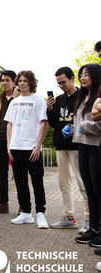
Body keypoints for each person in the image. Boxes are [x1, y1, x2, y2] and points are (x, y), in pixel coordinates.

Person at [46, 67, 89, 232]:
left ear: (72, 79)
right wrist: (50, 110)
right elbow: (53, 123)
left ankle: (90, 220)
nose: (61, 85)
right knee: (64, 183)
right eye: (58, 83)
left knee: (83, 184)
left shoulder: (83, 96)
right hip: (61, 146)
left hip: (78, 146)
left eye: (63, 82)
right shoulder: (58, 100)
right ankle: (69, 217)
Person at [5, 70, 49, 229]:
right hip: (16, 147)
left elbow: (44, 123)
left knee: (37, 182)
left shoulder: (39, 101)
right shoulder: (14, 102)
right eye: (20, 81)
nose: (22, 83)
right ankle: (25, 213)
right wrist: (8, 146)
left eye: (25, 81)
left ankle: (41, 214)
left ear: (31, 82)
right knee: (20, 182)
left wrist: (38, 146)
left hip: (32, 148)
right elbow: (9, 124)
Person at [71, 64, 101, 247]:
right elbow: (81, 123)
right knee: (90, 191)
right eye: (81, 74)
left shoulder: (98, 98)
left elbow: (98, 125)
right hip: (82, 147)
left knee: (99, 191)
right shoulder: (83, 98)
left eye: (87, 74)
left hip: (96, 147)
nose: (82, 78)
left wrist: (83, 127)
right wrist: (75, 129)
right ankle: (95, 228)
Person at [0, 70, 19, 214]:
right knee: (1, 173)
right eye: (2, 80)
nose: (4, 83)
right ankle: (3, 203)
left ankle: (23, 205)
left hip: (16, 139)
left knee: (19, 172)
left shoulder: (20, 97)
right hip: (0, 138)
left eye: (7, 80)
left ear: (14, 82)